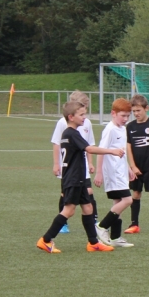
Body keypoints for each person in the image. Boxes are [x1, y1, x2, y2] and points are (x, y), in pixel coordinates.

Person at [37, 101, 124, 253]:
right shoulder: (72, 133)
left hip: (78, 178)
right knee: (69, 210)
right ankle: (46, 240)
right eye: (81, 114)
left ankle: (93, 243)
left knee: (88, 208)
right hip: (74, 178)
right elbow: (89, 148)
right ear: (71, 117)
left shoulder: (67, 134)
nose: (85, 117)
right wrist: (112, 151)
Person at [51, 90, 96, 234]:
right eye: (82, 108)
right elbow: (56, 143)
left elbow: (89, 144)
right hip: (70, 166)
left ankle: (94, 223)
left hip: (81, 166)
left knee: (88, 194)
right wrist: (56, 164)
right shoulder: (64, 124)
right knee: (66, 197)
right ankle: (60, 225)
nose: (85, 113)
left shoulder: (86, 123)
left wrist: (90, 163)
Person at [95, 98, 135, 248]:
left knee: (118, 203)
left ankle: (115, 237)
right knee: (128, 200)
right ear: (113, 113)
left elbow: (121, 151)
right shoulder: (110, 129)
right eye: (122, 115)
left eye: (128, 116)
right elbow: (101, 151)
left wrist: (128, 168)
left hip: (121, 170)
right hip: (112, 171)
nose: (125, 119)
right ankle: (102, 226)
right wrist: (99, 172)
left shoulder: (122, 129)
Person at [125, 94, 149, 234]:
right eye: (134, 111)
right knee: (136, 194)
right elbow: (128, 146)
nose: (136, 114)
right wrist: (132, 166)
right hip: (136, 167)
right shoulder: (130, 126)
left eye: (138, 110)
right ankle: (134, 224)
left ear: (146, 108)